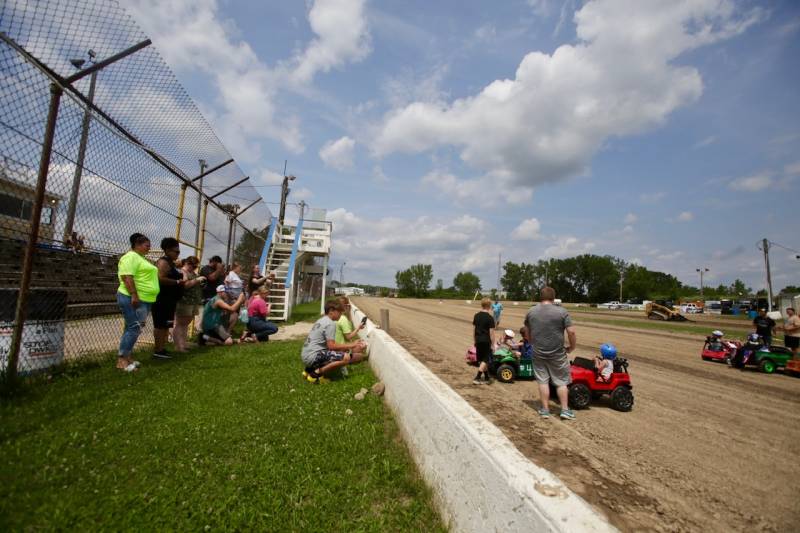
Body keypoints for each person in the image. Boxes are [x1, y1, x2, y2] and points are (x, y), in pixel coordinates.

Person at [525, 286, 577, 420]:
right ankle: (565, 410)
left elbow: (526, 331)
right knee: (561, 382)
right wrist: (571, 347)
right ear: (553, 298)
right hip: (557, 353)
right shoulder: (562, 312)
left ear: (540, 297)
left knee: (543, 381)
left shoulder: (531, 311)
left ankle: (545, 410)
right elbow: (571, 332)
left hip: (538, 352)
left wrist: (531, 342)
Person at [116, 233, 159, 372]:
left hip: (145, 299)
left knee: (135, 328)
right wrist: (134, 294)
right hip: (132, 297)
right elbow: (126, 276)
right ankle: (122, 360)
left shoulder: (142, 258)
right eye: (147, 245)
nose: (149, 248)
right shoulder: (130, 257)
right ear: (137, 245)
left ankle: (127, 356)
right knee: (134, 327)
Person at [301, 300, 366, 383]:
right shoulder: (330, 324)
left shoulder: (321, 320)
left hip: (305, 354)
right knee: (346, 358)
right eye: (339, 312)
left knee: (335, 353)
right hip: (313, 356)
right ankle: (315, 375)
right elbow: (331, 346)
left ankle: (308, 370)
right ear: (331, 311)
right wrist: (352, 345)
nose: (341, 315)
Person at [151, 237, 184, 360]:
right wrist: (177, 282)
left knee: (166, 325)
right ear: (168, 250)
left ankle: (162, 349)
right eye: (176, 252)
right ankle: (157, 351)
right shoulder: (163, 262)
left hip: (170, 300)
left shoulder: (171, 262)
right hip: (162, 300)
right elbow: (160, 278)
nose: (178, 254)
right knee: (160, 325)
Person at [173, 256, 206, 352]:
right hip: (184, 301)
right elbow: (186, 285)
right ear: (188, 263)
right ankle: (178, 346)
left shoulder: (192, 273)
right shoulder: (183, 272)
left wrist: (200, 283)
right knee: (180, 324)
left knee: (185, 324)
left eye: (196, 266)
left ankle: (183, 344)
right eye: (193, 265)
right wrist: (197, 280)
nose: (195, 267)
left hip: (193, 301)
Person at [472, 297, 496, 385]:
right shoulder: (490, 318)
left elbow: (474, 330)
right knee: (485, 359)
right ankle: (477, 377)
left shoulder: (476, 316)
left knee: (481, 359)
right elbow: (491, 333)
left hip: (478, 340)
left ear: (482, 305)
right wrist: (493, 344)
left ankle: (486, 377)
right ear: (489, 306)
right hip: (486, 341)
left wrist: (475, 340)